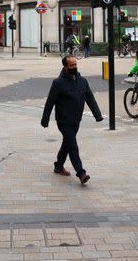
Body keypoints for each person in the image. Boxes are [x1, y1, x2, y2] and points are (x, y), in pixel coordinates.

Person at [41, 55, 103, 184]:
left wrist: (98, 115)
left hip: (76, 120)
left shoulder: (83, 81)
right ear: (65, 67)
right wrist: (45, 120)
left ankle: (58, 166)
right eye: (71, 65)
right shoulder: (58, 83)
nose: (74, 67)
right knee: (73, 146)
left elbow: (90, 98)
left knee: (67, 144)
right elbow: (50, 102)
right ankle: (81, 173)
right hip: (63, 121)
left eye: (75, 64)